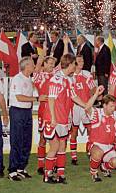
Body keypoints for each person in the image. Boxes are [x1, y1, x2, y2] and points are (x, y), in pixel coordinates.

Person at [42, 53, 102, 184]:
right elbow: (51, 99)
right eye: (75, 63)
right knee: (55, 146)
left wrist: (89, 102)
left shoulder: (69, 80)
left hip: (63, 118)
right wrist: (53, 118)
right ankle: (47, 175)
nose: (76, 66)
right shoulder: (56, 79)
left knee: (62, 146)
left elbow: (75, 98)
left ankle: (61, 174)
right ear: (69, 64)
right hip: (54, 119)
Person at [7, 57, 36, 181]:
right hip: (18, 111)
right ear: (27, 66)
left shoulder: (29, 78)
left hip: (27, 111)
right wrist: (37, 99)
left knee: (26, 141)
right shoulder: (17, 79)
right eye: (32, 64)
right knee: (17, 140)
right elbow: (19, 97)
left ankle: (21, 167)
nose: (34, 66)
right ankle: (12, 170)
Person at [70, 54, 96, 164]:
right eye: (80, 61)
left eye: (83, 61)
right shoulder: (70, 76)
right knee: (74, 131)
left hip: (86, 106)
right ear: (75, 63)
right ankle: (73, 156)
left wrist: (91, 95)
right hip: (74, 107)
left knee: (90, 130)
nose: (82, 63)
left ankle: (90, 151)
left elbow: (93, 88)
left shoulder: (86, 74)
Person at [33, 55, 56, 175]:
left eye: (53, 63)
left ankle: (54, 163)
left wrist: (66, 44)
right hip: (43, 110)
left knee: (56, 138)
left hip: (56, 110)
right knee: (42, 138)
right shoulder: (39, 76)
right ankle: (41, 165)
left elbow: (64, 63)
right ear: (45, 64)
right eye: (50, 63)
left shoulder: (57, 76)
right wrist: (39, 61)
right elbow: (36, 71)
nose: (52, 65)